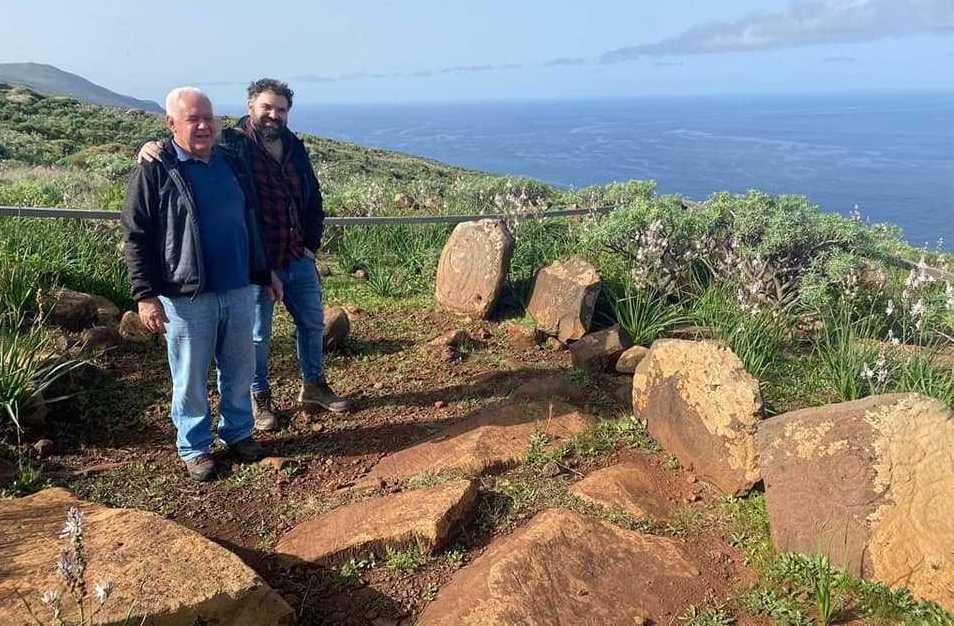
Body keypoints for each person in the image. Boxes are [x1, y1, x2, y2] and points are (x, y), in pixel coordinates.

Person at [139, 79, 352, 432]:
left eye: (281, 109)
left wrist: (310, 246)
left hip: (297, 255)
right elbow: (188, 141)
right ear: (250, 106)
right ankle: (259, 397)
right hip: (255, 263)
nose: (274, 115)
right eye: (267, 107)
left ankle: (313, 385)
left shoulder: (294, 147)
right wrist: (151, 146)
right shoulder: (232, 144)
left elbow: (313, 198)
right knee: (256, 335)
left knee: (312, 323)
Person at [122, 87, 281, 481]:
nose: (203, 125)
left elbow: (250, 220)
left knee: (239, 367)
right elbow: (136, 235)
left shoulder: (231, 160)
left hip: (240, 286)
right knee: (190, 375)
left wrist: (264, 272)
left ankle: (239, 432)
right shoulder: (156, 168)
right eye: (192, 118)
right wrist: (144, 296)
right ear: (171, 124)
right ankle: (194, 447)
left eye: (208, 117)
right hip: (186, 294)